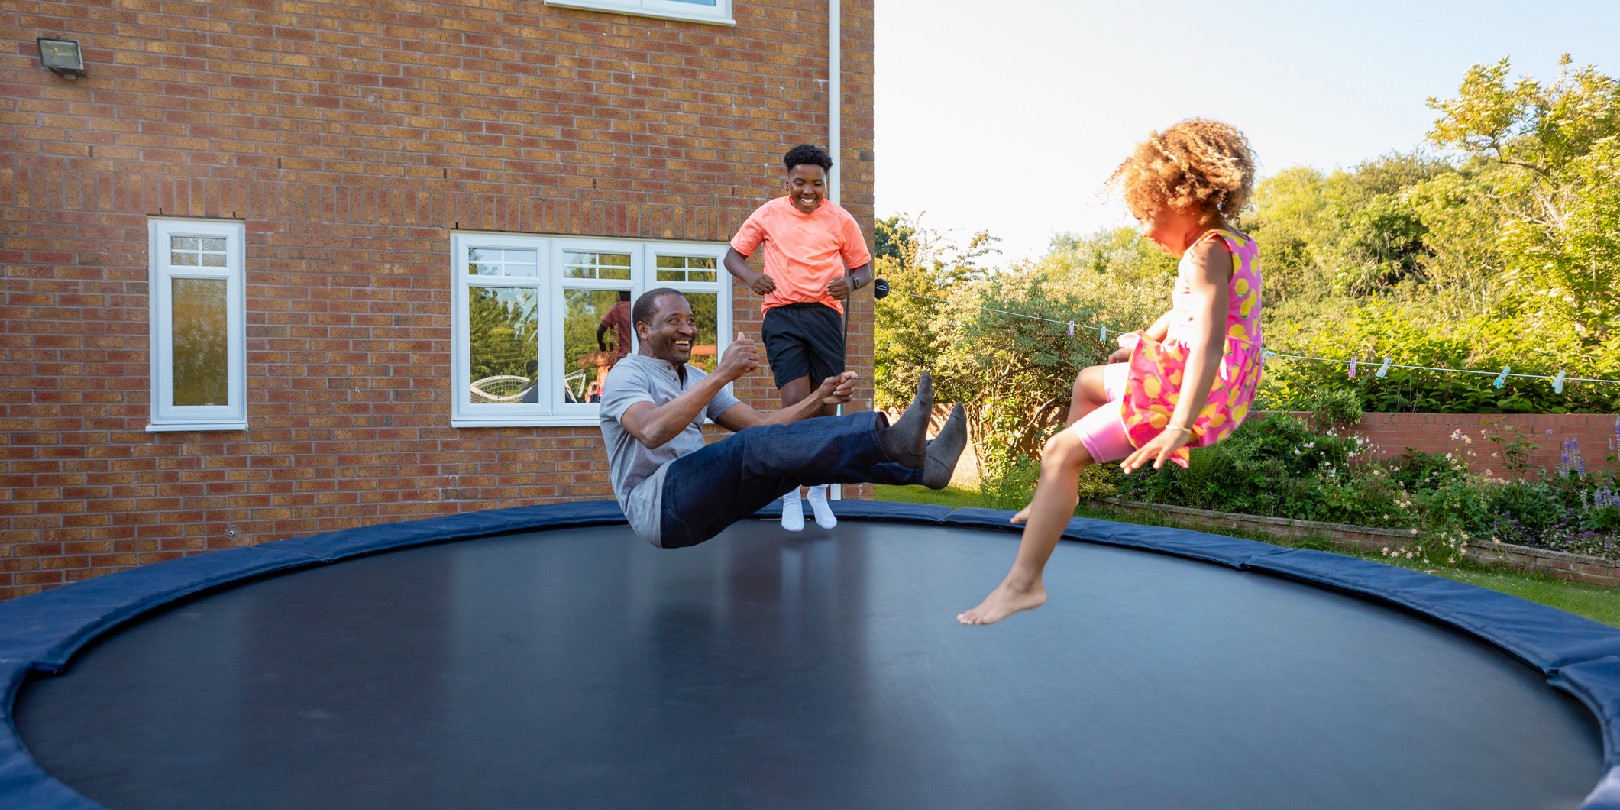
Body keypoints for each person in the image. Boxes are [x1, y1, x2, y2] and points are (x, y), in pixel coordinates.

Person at [957, 119, 1264, 626]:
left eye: (1146, 213)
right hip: (1213, 382)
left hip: (1193, 391)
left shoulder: (1205, 254)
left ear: (1182, 195)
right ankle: (1053, 495)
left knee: (1060, 452)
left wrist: (1178, 426)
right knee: (1088, 381)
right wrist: (1145, 340)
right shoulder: (1233, 244)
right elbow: (1195, 312)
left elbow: (1209, 343)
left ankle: (1023, 583)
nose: (1142, 229)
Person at [599, 287, 966, 550]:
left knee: (793, 462)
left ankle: (924, 467)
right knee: (750, 449)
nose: (687, 329)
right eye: (673, 320)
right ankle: (890, 440)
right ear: (643, 329)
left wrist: (818, 397)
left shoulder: (694, 378)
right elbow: (650, 431)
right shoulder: (627, 374)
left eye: (691, 320)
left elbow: (762, 426)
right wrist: (722, 374)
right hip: (658, 506)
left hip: (704, 511)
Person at [724, 144, 876, 533]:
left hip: (825, 316)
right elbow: (732, 257)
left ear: (825, 183)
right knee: (795, 404)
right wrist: (751, 277)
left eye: (816, 184)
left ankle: (819, 493)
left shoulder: (840, 219)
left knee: (826, 407)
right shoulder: (769, 213)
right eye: (799, 183)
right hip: (782, 316)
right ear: (786, 180)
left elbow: (864, 268)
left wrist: (851, 282)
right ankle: (791, 494)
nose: (808, 191)